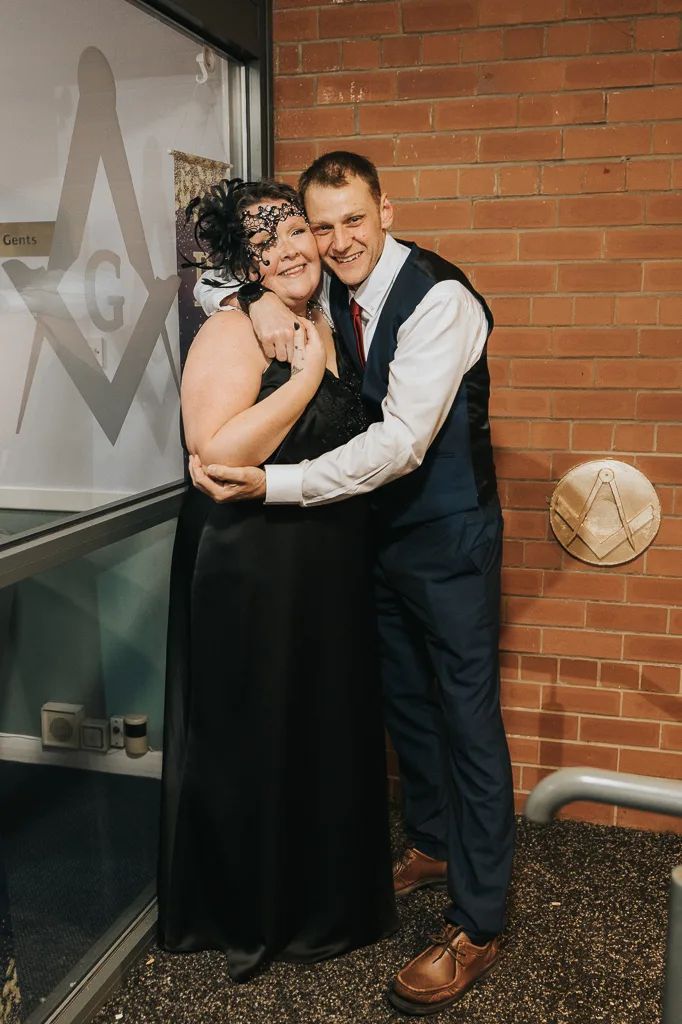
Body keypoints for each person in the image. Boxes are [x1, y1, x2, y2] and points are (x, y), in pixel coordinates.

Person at [192, 152, 516, 1016]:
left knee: (466, 719)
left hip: (447, 537)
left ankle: (479, 918)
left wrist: (275, 486)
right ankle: (437, 844)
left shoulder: (440, 299)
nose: (336, 243)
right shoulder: (330, 286)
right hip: (368, 542)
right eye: (320, 224)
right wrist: (245, 302)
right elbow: (231, 279)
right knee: (404, 705)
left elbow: (401, 444)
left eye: (352, 222)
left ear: (386, 211)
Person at [157, 176, 398, 983]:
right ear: (243, 265)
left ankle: (321, 899)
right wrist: (300, 379)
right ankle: (253, 912)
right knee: (254, 730)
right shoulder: (234, 333)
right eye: (266, 243)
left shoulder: (315, 316)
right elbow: (217, 458)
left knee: (313, 723)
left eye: (294, 229)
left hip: (318, 560)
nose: (291, 248)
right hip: (249, 562)